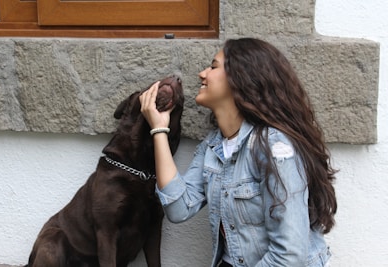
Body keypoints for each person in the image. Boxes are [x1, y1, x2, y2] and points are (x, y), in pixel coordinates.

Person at [139, 38, 337, 267]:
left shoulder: (274, 148)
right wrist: (159, 129)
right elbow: (178, 208)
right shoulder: (213, 146)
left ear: (240, 78)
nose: (202, 74)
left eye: (213, 67)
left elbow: (289, 257)